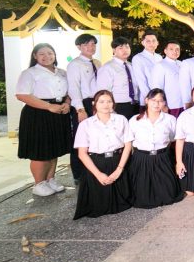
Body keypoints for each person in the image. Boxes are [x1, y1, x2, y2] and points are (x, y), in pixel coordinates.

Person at [15, 43, 73, 197]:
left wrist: (67, 103)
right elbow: (22, 95)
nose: (47, 56)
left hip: (59, 112)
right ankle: (38, 183)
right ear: (35, 56)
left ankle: (50, 179)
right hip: (38, 114)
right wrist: (49, 106)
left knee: (53, 149)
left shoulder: (62, 72)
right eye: (42, 54)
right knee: (41, 151)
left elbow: (70, 91)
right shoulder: (29, 73)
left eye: (50, 53)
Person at [73, 90, 132, 219]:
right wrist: (98, 174)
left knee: (125, 202)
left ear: (113, 103)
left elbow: (128, 145)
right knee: (99, 205)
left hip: (118, 161)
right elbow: (82, 154)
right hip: (96, 164)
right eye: (102, 101)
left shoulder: (121, 120)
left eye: (109, 101)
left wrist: (119, 170)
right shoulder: (85, 125)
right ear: (94, 103)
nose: (106, 105)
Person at [127, 88, 183, 208]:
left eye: (160, 101)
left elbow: (173, 138)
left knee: (169, 195)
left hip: (162, 158)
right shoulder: (135, 120)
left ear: (164, 103)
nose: (157, 104)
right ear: (146, 100)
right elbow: (129, 142)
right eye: (153, 100)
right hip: (141, 159)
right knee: (142, 198)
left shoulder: (170, 119)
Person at [67, 33, 101, 184]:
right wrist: (80, 109)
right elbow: (73, 88)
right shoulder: (75, 64)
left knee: (95, 137)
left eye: (93, 44)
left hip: (97, 103)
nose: (90, 47)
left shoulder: (97, 63)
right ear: (79, 47)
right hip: (83, 104)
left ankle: (93, 170)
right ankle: (79, 174)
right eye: (86, 44)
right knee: (80, 139)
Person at [96, 37, 140, 119]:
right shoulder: (107, 68)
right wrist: (110, 110)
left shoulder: (131, 66)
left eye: (127, 47)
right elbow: (103, 92)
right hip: (118, 106)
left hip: (135, 105)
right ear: (113, 50)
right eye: (121, 48)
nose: (125, 50)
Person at [149, 40, 183, 117]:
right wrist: (162, 105)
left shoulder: (182, 64)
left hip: (184, 103)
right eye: (171, 49)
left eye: (177, 49)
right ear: (165, 51)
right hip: (171, 105)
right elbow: (157, 88)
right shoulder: (160, 65)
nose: (175, 51)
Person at [131, 31, 162, 110]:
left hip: (161, 98)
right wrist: (150, 99)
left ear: (157, 43)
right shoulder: (138, 58)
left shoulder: (159, 57)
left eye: (154, 41)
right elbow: (141, 81)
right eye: (148, 41)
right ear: (143, 43)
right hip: (148, 99)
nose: (151, 43)